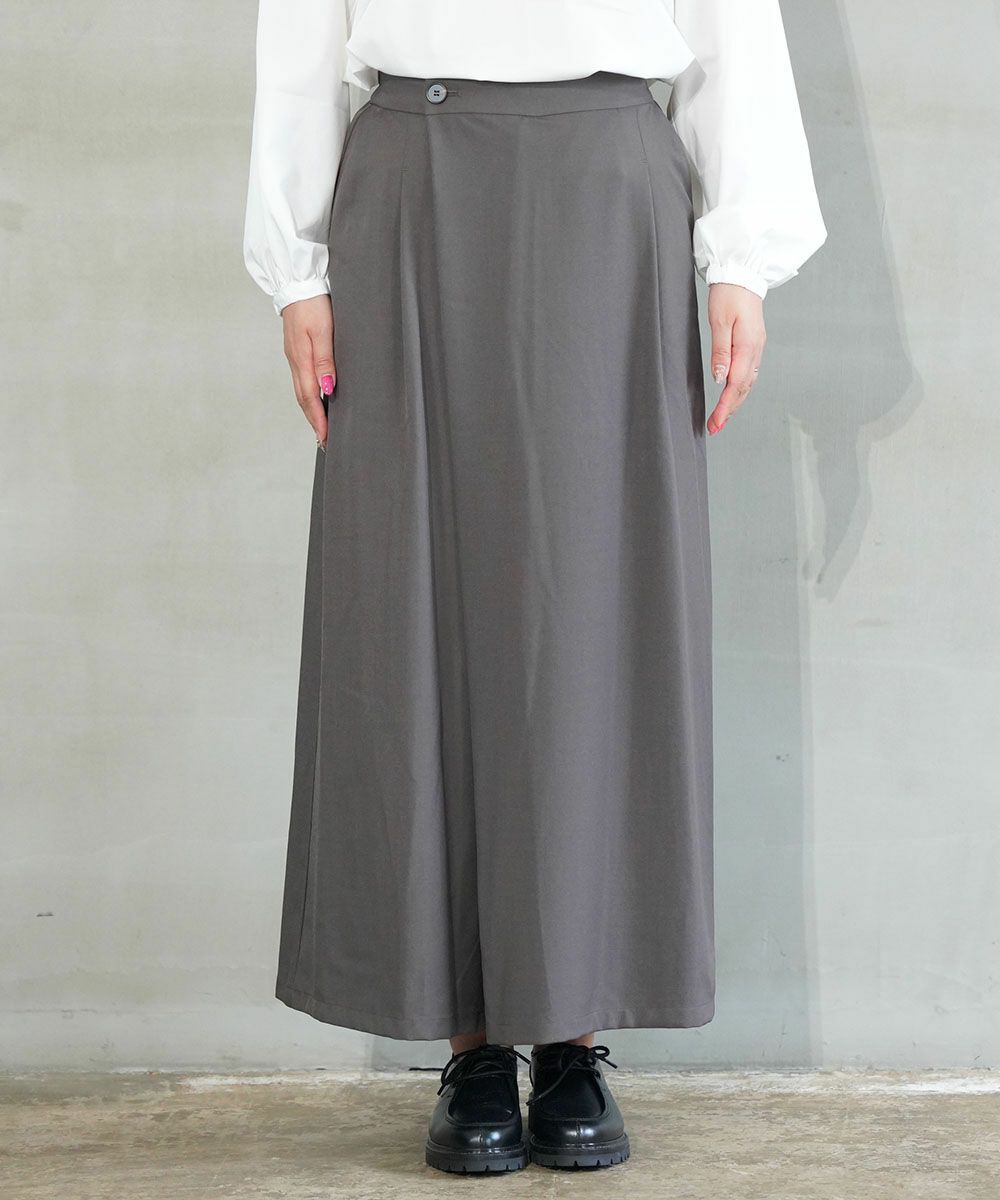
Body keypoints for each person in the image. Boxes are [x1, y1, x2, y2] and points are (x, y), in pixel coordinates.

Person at [242, 0, 826, 1175]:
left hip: (605, 186)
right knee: (416, 598)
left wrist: (742, 258)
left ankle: (570, 1032)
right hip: (410, 185)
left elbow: (731, 36)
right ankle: (468, 1043)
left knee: (593, 605)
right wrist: (296, 272)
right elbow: (301, 45)